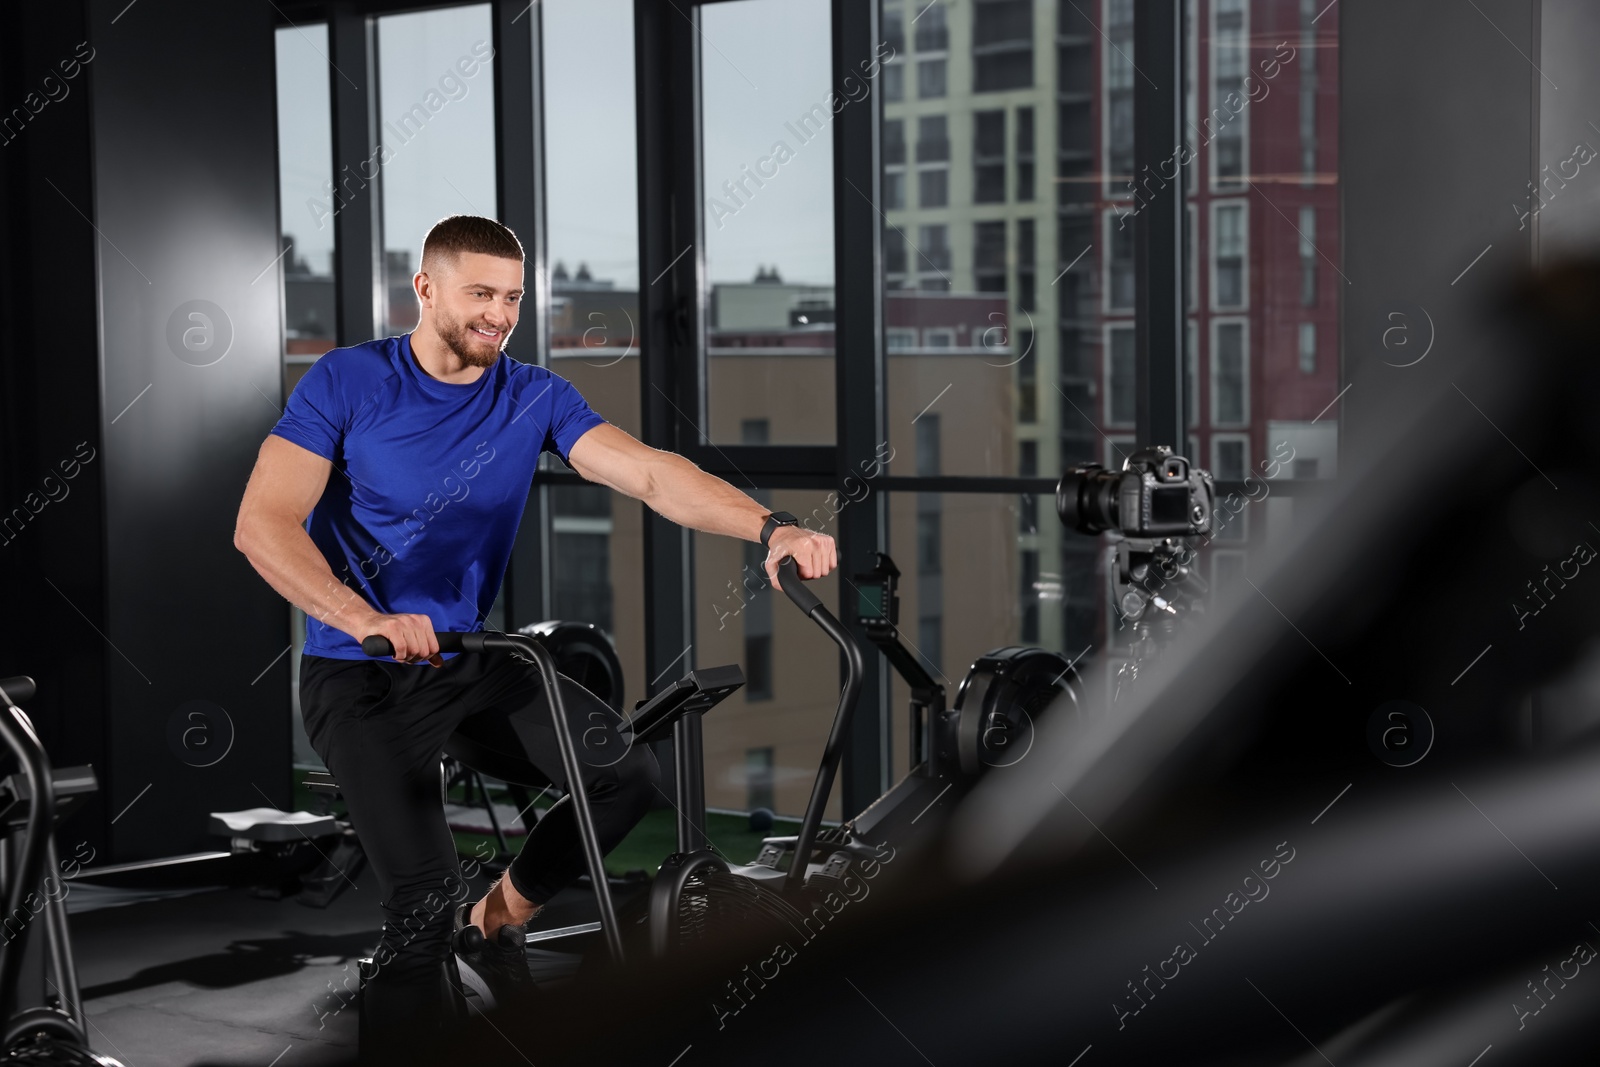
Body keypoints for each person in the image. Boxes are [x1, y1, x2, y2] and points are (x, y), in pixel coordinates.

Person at [232, 214, 837, 1061]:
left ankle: (498, 921)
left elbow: (653, 472)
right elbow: (262, 524)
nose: (498, 315)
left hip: (471, 659)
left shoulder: (531, 394)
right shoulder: (346, 382)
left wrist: (768, 524)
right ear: (426, 288)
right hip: (358, 670)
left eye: (512, 298)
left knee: (624, 773)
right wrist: (361, 615)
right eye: (480, 294)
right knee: (420, 898)